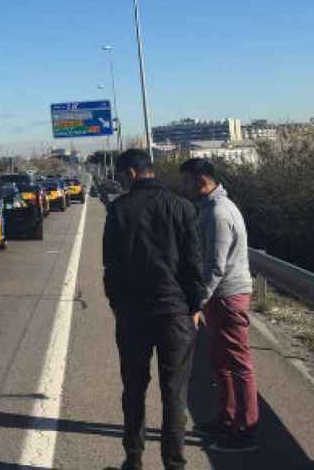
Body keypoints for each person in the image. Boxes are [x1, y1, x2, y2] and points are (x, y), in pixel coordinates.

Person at [103, 149, 208, 470]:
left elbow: (111, 267)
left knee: (134, 389)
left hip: (133, 315)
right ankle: (174, 465)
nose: (121, 182)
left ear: (132, 174)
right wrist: (194, 305)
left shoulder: (119, 210)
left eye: (122, 176)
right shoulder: (182, 207)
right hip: (175, 312)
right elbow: (193, 265)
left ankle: (133, 460)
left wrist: (118, 306)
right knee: (175, 394)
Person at [180, 158, 259, 453]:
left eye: (186, 181)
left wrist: (197, 303)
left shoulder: (218, 213)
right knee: (220, 361)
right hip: (218, 297)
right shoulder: (208, 208)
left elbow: (216, 267)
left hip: (226, 296)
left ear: (202, 180)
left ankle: (246, 429)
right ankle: (227, 419)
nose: (183, 187)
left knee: (238, 363)